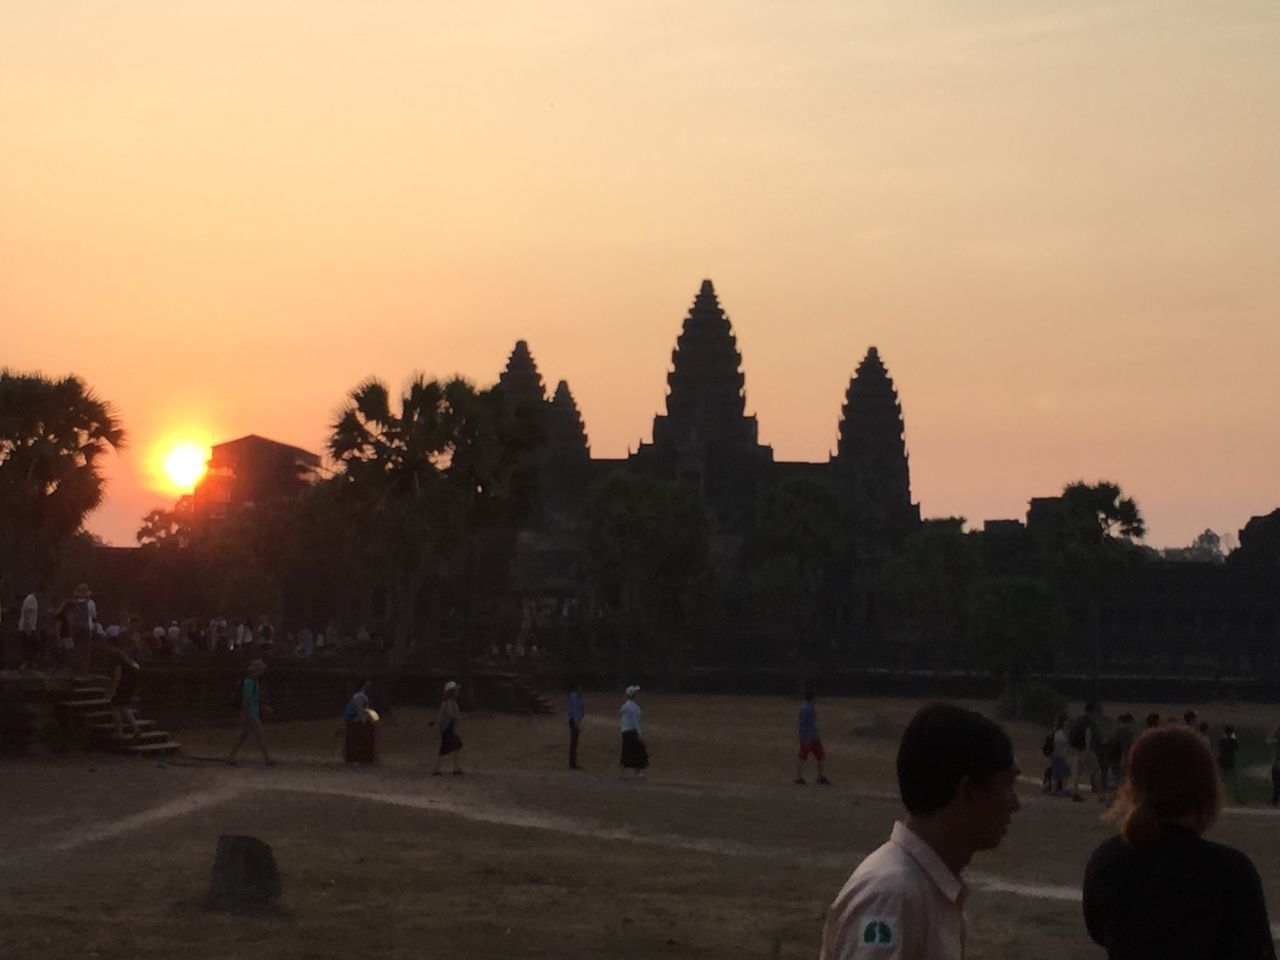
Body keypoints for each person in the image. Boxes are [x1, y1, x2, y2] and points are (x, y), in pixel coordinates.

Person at [820, 704, 1020, 960]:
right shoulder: (891, 898)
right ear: (967, 790)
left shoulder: (925, 889)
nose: (1015, 804)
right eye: (1007, 785)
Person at [1083, 726, 1275, 959]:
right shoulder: (1230, 872)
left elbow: (1098, 932)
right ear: (1206, 789)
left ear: (1133, 786)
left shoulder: (1106, 860)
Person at [226, 659, 274, 765]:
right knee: (259, 734)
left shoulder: (252, 682)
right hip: (250, 712)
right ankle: (267, 758)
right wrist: (246, 713)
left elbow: (251, 699)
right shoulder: (250, 682)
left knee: (244, 736)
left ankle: (231, 756)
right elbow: (246, 699)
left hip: (251, 711)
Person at [106, 632, 142, 742]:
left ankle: (120, 730)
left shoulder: (116, 656)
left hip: (125, 683)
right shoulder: (123, 655)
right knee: (124, 706)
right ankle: (135, 728)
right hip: (132, 681)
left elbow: (118, 673)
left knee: (114, 705)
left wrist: (113, 689)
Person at [1069, 702, 1103, 802]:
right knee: (1096, 771)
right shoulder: (1088, 721)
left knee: (1077, 772)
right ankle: (1100, 795)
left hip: (1078, 750)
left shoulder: (1079, 719)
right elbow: (1088, 733)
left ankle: (1075, 792)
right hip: (1087, 750)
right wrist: (1088, 748)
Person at [796, 690, 831, 785]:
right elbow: (809, 724)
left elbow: (802, 724)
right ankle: (819, 778)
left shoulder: (803, 708)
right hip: (812, 738)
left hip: (805, 737)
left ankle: (799, 777)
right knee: (820, 756)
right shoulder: (810, 709)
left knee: (802, 757)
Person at [343, 678, 379, 764]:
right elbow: (359, 709)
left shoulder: (360, 696)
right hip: (353, 717)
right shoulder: (359, 696)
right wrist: (363, 719)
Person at [432, 681, 464, 775]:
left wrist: (458, 717)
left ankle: (454, 768)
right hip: (446, 729)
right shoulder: (448, 702)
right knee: (450, 747)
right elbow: (451, 714)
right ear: (451, 691)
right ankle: (438, 769)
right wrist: (459, 717)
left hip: (448, 728)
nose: (457, 692)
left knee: (455, 746)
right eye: (456, 690)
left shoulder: (452, 702)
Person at [619, 685, 648, 778]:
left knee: (627, 750)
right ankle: (637, 771)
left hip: (625, 731)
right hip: (631, 731)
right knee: (639, 750)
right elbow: (635, 720)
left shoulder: (626, 705)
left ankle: (624, 771)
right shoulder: (634, 707)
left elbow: (621, 713)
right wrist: (639, 733)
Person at [1218, 724, 1242, 805]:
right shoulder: (1232, 740)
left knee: (1222, 779)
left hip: (1222, 760)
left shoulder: (1222, 740)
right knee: (1234, 780)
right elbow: (1237, 749)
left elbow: (1220, 749)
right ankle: (1237, 798)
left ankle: (1221, 797)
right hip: (1230, 761)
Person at [18, 587, 40, 671]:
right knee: (28, 645)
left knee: (31, 645)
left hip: (30, 626)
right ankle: (26, 663)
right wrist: (28, 627)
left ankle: (30, 663)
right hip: (27, 627)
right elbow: (26, 612)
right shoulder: (31, 599)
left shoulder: (33, 599)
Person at [568, 684, 585, 770]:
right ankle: (572, 763)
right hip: (574, 721)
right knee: (574, 743)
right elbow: (576, 712)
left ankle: (573, 762)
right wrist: (577, 724)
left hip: (574, 721)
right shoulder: (576, 699)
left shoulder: (575, 698)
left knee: (574, 743)